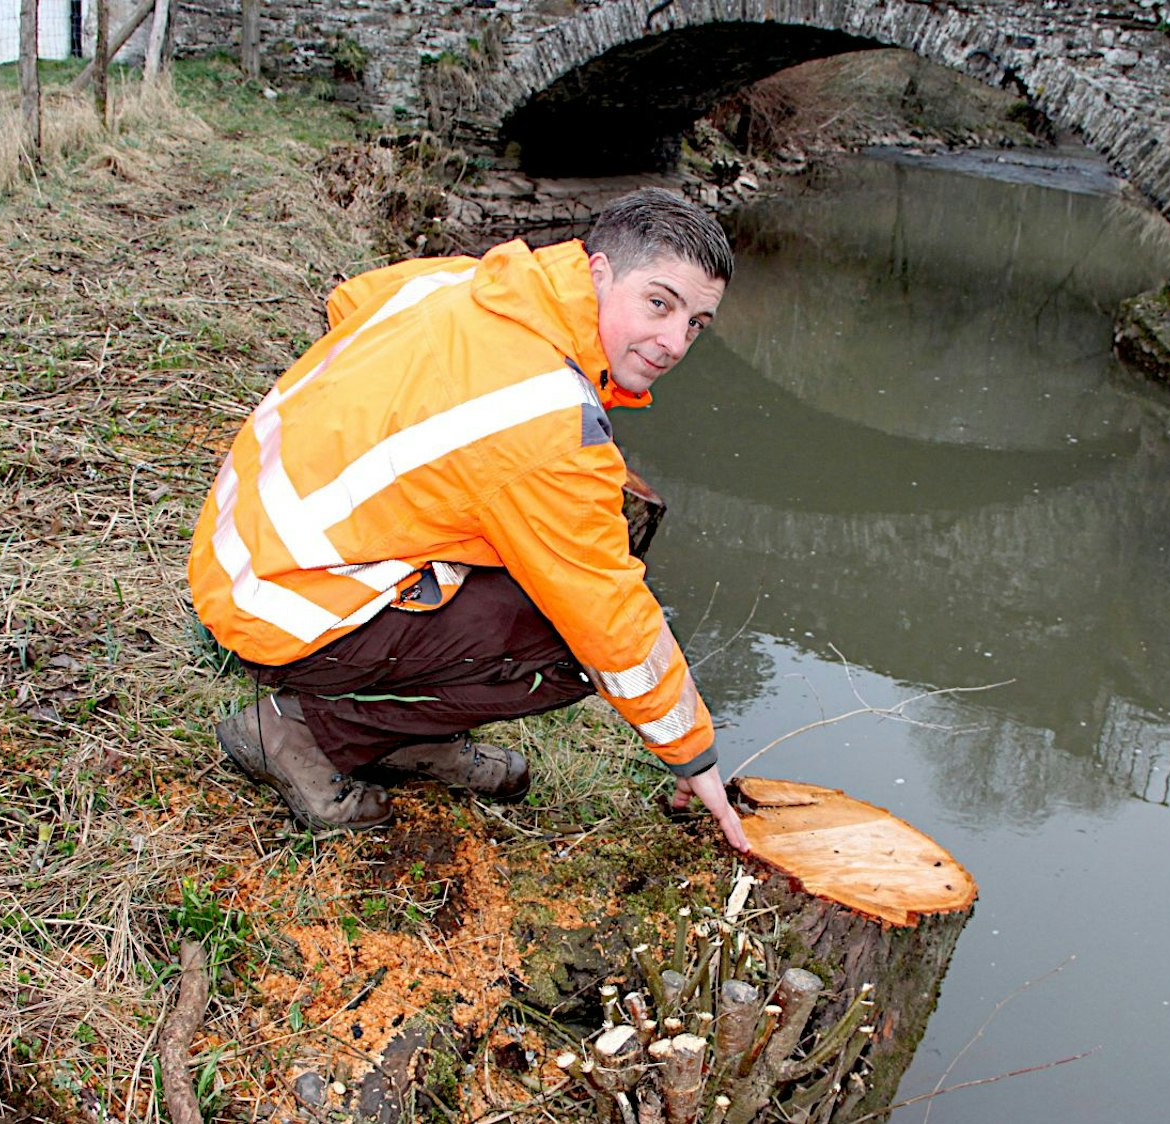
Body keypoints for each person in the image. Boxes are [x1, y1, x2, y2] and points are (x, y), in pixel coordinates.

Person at [189, 188, 750, 853]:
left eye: (696, 324)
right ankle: (301, 731)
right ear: (599, 272)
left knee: (526, 580)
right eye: (659, 303)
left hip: (239, 549)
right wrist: (694, 755)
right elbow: (608, 616)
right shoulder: (543, 420)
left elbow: (352, 300)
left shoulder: (477, 281)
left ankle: (412, 739)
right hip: (280, 607)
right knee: (571, 647)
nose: (673, 341)